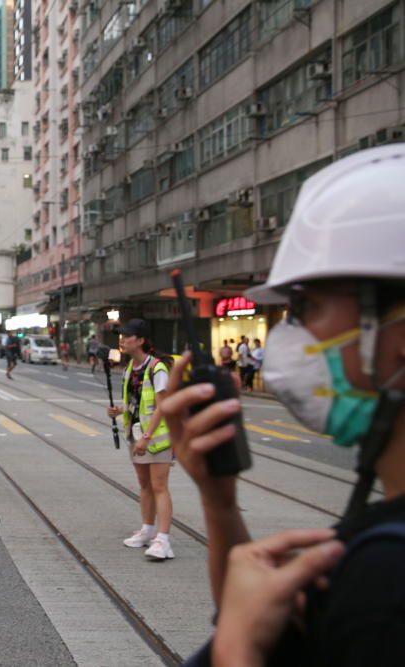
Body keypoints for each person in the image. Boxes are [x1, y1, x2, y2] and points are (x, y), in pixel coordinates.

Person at [166, 146, 405, 666]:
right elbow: (273, 631)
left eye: (307, 308)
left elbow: (247, 644)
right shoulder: (379, 538)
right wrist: (220, 500)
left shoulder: (386, 580)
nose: (290, 335)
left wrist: (233, 653)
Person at [106, 318, 175, 561]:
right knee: (144, 485)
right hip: (136, 435)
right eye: (122, 336)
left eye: (128, 336)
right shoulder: (130, 369)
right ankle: (147, 530)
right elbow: (137, 403)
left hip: (156, 439)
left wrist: (147, 436)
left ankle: (163, 540)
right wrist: (120, 410)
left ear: (142, 340)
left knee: (159, 486)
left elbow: (162, 406)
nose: (123, 340)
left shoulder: (157, 368)